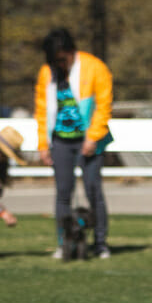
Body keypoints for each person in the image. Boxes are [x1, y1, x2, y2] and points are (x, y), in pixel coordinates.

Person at [35, 28, 113, 259]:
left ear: (70, 52)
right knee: (63, 193)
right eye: (53, 61)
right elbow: (41, 110)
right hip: (60, 141)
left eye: (61, 59)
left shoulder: (95, 67)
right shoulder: (46, 72)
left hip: (90, 140)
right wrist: (43, 144)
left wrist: (92, 137)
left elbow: (103, 106)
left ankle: (100, 242)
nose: (58, 64)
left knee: (92, 190)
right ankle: (64, 243)